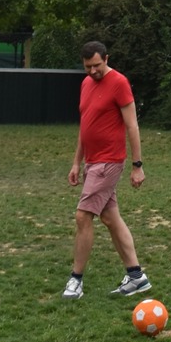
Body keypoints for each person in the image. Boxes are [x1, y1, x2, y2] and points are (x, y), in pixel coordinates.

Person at [62, 40, 149, 301]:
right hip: (92, 162)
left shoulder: (119, 83)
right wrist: (77, 162)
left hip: (109, 162)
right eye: (87, 66)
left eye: (97, 65)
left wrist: (137, 166)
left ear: (106, 59)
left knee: (82, 217)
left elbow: (132, 126)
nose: (92, 71)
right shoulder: (86, 84)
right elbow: (85, 126)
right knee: (110, 218)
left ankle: (75, 280)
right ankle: (136, 277)